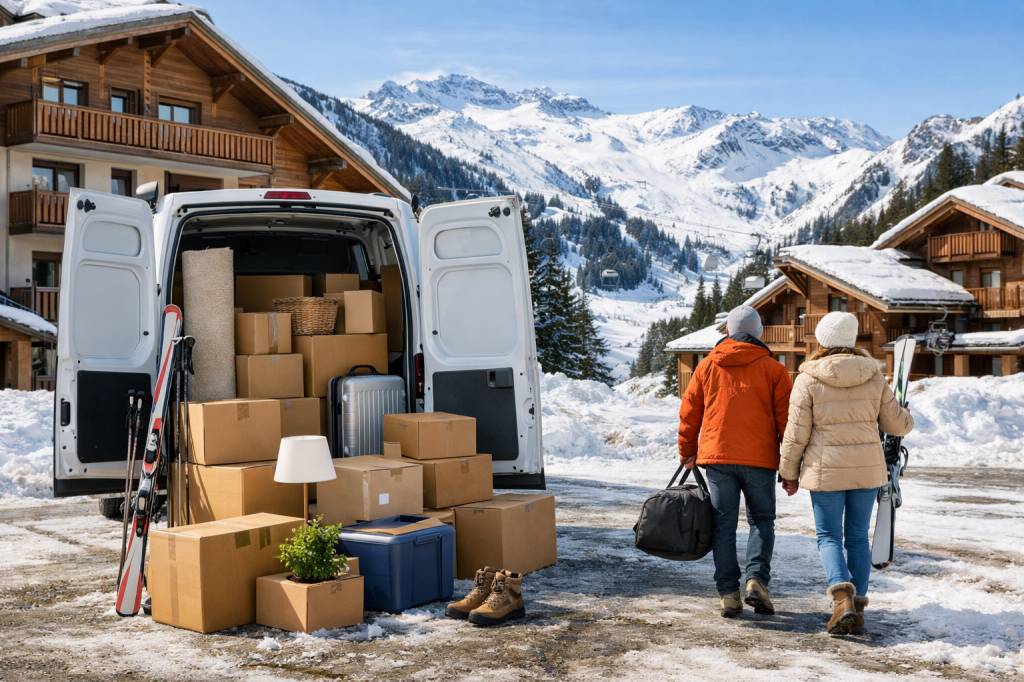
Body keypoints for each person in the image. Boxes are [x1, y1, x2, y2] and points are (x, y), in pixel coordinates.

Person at [779, 311, 913, 635]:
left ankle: (841, 599)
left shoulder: (808, 378)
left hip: (825, 473)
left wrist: (788, 472)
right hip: (866, 472)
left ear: (822, 340)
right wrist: (906, 415)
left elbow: (796, 433)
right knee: (856, 537)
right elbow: (897, 425)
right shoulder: (873, 376)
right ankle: (859, 609)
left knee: (828, 537)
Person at [678, 305, 792, 618]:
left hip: (718, 457)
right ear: (759, 333)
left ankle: (728, 593)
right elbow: (787, 422)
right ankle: (756, 580)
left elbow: (690, 412)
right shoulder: (774, 370)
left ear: (728, 332)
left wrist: (687, 449)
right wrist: (791, 464)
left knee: (722, 525)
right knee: (761, 521)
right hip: (760, 459)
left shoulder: (707, 366)